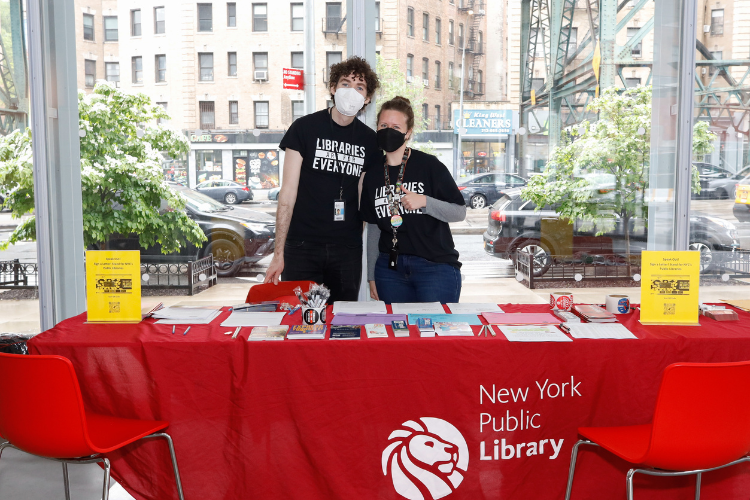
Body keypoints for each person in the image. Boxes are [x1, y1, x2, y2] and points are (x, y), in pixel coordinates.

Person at [264, 57, 380, 302]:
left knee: (342, 324)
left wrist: (354, 243)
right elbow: (287, 194)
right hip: (302, 246)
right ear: (333, 88)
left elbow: (361, 198)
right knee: (302, 322)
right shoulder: (304, 128)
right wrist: (278, 253)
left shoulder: (370, 141)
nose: (351, 92)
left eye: (359, 87)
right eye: (345, 83)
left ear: (367, 98)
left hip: (346, 250)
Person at [360, 96, 466, 303]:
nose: (388, 130)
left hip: (435, 267)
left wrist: (425, 202)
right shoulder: (372, 174)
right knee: (398, 333)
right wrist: (371, 275)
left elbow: (459, 212)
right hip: (390, 270)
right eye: (383, 125)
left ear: (407, 133)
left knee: (434, 333)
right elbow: (373, 227)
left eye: (396, 126)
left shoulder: (429, 166)